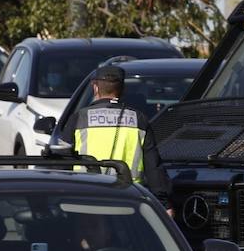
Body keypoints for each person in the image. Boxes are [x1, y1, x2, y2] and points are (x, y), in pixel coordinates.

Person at [61, 64, 170, 206]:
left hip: (86, 196)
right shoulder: (139, 119)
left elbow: (63, 162)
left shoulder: (79, 118)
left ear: (95, 88)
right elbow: (153, 167)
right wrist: (164, 203)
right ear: (122, 90)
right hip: (129, 197)